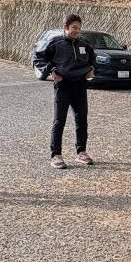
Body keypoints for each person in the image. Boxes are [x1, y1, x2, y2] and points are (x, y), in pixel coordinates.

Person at [36, 13, 95, 168]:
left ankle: (81, 152)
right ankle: (56, 155)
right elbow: (39, 59)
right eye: (74, 27)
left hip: (80, 86)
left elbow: (93, 60)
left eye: (79, 28)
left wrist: (92, 69)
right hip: (63, 86)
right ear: (65, 27)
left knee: (81, 120)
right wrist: (52, 70)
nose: (77, 31)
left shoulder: (84, 44)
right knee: (59, 121)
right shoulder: (55, 43)